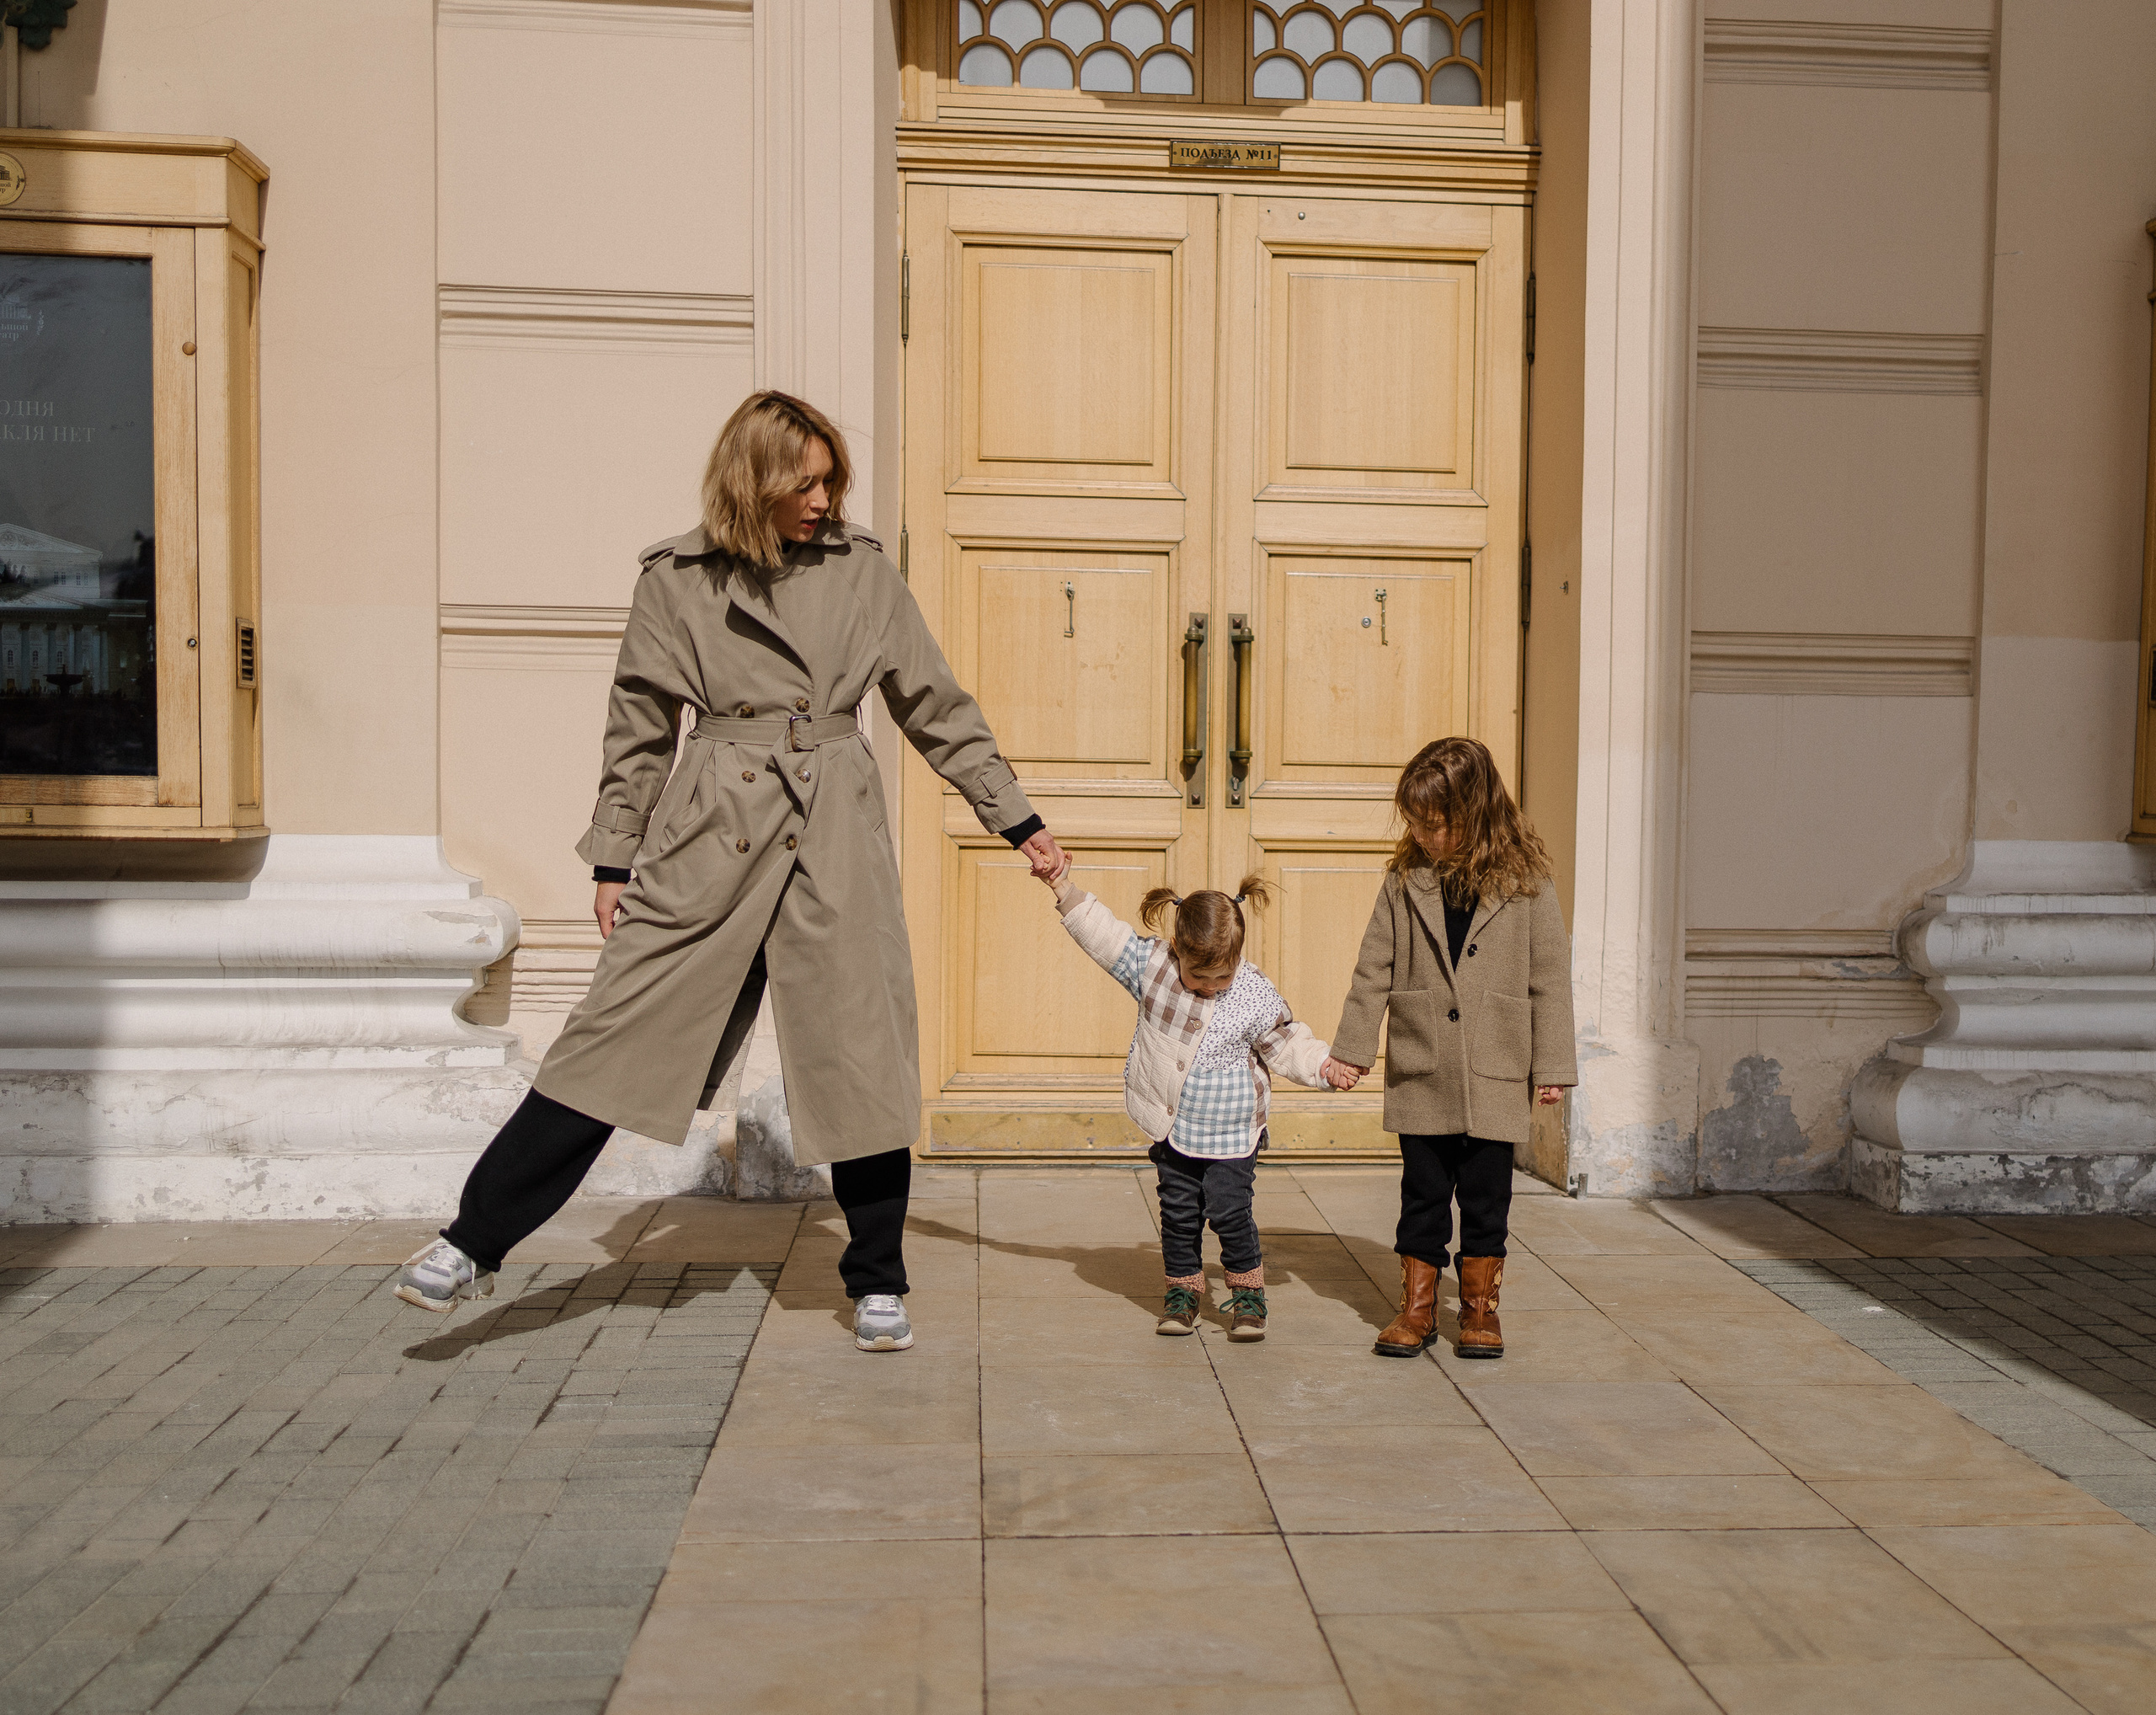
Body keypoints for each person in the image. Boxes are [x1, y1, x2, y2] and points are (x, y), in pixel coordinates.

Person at [397, 392, 1069, 1350]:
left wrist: (1018, 820)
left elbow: (936, 704)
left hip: (833, 825)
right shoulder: (676, 581)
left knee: (860, 1053)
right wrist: (615, 857)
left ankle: (877, 1277)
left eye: (832, 478)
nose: (825, 499)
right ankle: (472, 1241)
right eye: (805, 481)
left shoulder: (862, 574)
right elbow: (637, 728)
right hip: (710, 829)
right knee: (609, 1039)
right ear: (752, 481)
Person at [1328, 737, 1575, 1360]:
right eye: (1417, 824)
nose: (1427, 836)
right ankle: (1416, 1309)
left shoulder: (1528, 884)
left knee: (1488, 1199)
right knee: (1423, 1194)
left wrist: (1552, 1066)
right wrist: (1354, 1049)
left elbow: (1550, 979)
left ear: (1478, 811)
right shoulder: (1404, 880)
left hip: (1496, 1064)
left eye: (1438, 824)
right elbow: (1372, 969)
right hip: (1423, 1066)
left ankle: (1479, 1311)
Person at [1045, 868, 1360, 1340]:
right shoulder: (1155, 969)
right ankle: (1183, 1291)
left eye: (1222, 975)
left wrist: (1325, 1067)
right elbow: (1105, 938)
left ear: (1238, 959)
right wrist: (1062, 888)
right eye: (1199, 976)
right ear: (1177, 949)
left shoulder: (1252, 991)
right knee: (1178, 1211)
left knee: (1230, 1210)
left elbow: (1286, 1042)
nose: (1211, 985)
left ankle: (1248, 1295)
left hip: (1233, 1132)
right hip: (1175, 1127)